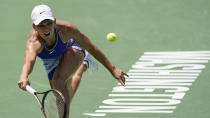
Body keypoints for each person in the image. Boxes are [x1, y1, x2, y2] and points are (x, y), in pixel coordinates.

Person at [17, 4, 128, 118]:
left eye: (49, 23)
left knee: (58, 80)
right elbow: (28, 61)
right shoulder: (33, 43)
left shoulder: (66, 29)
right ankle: (82, 67)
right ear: (34, 27)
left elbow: (90, 47)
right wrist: (24, 75)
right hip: (51, 59)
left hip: (73, 49)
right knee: (63, 97)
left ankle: (83, 60)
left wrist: (112, 69)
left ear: (54, 21)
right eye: (41, 25)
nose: (46, 29)